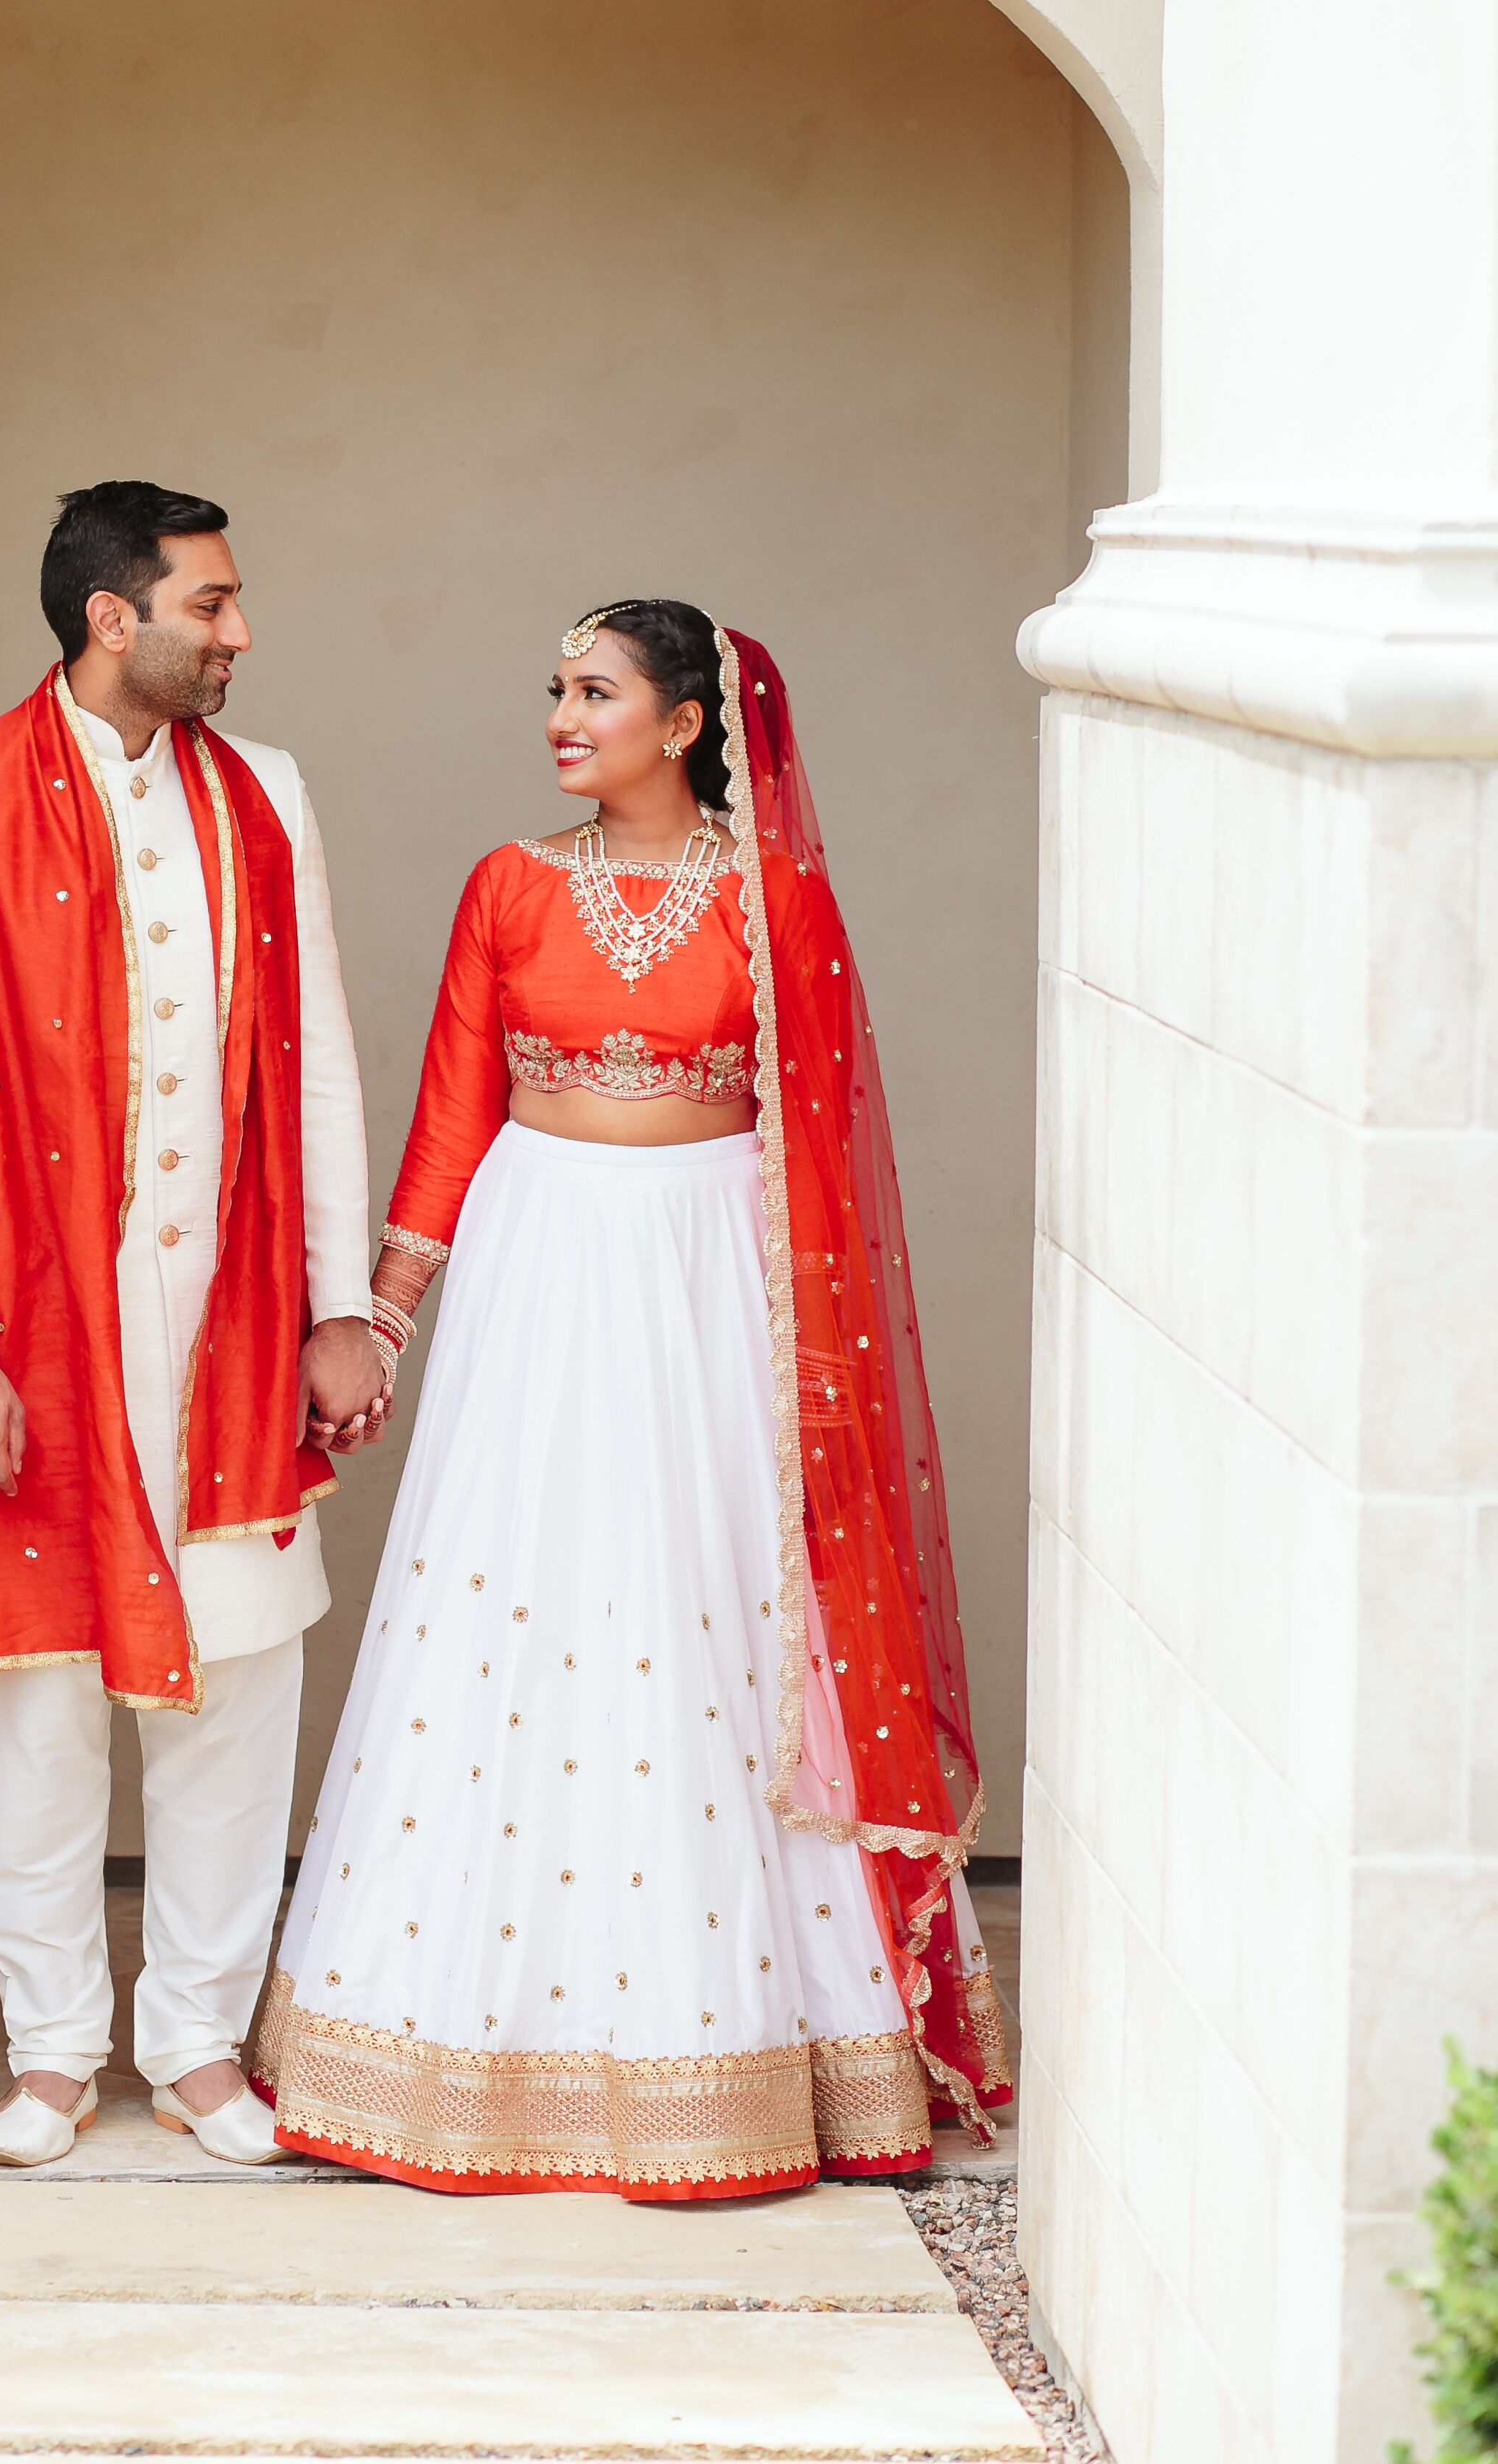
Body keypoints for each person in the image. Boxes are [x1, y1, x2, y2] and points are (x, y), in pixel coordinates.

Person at [253, 599, 1010, 2197]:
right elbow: (456, 1104)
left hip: (706, 1281)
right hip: (540, 1265)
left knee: (700, 1601)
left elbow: (825, 1142)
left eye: (595, 690)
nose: (559, 713)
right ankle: (441, 2044)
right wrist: (382, 1319)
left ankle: (738, 2049)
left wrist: (817, 1363)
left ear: (684, 724)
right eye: (555, 685)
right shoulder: (510, 883)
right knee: (513, 1603)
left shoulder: (778, 894)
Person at [0, 479, 387, 2170]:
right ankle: (49, 2052)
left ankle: (198, 2041)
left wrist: (340, 1306)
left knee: (239, 1689)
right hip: (39, 1335)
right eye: (211, 606)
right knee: (41, 1700)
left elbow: (319, 1071)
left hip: (228, 1331)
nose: (238, 634)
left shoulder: (270, 800)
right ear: (114, 616)